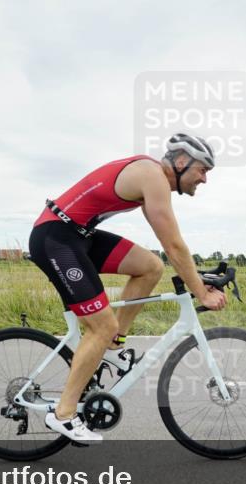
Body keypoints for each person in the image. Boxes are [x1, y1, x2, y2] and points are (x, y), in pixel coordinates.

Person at [28, 133, 227, 444]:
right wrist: (200, 291)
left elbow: (169, 252)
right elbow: (173, 245)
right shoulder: (153, 177)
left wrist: (198, 278)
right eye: (203, 170)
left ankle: (113, 346)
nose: (204, 179)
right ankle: (64, 414)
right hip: (56, 238)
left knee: (150, 267)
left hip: (77, 235)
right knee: (101, 325)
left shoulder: (152, 178)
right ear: (181, 161)